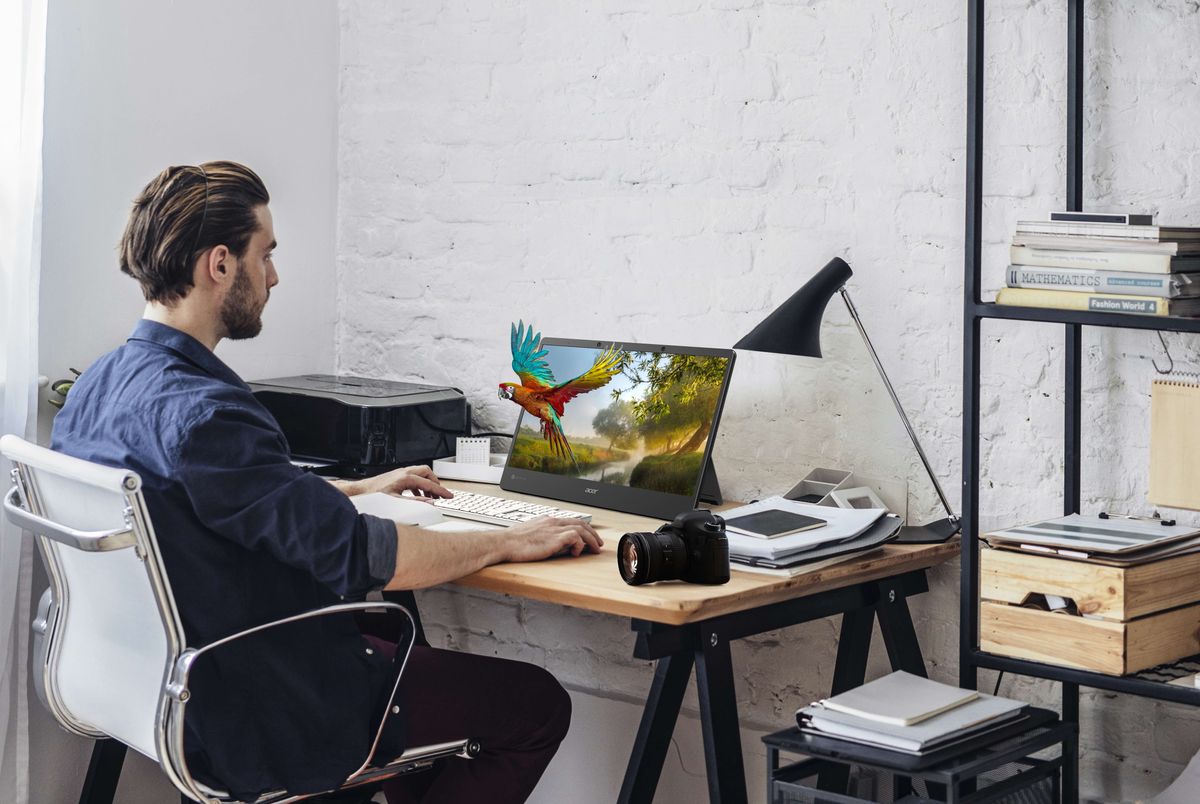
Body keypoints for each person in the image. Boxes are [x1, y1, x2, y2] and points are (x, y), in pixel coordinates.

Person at [50, 161, 603, 803]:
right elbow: (371, 557)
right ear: (220, 264)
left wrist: (358, 489)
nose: (275, 276)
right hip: (262, 704)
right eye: (267, 254)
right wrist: (507, 540)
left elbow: (212, 506)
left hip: (159, 688)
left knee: (399, 643)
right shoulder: (209, 415)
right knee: (533, 705)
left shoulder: (101, 385)